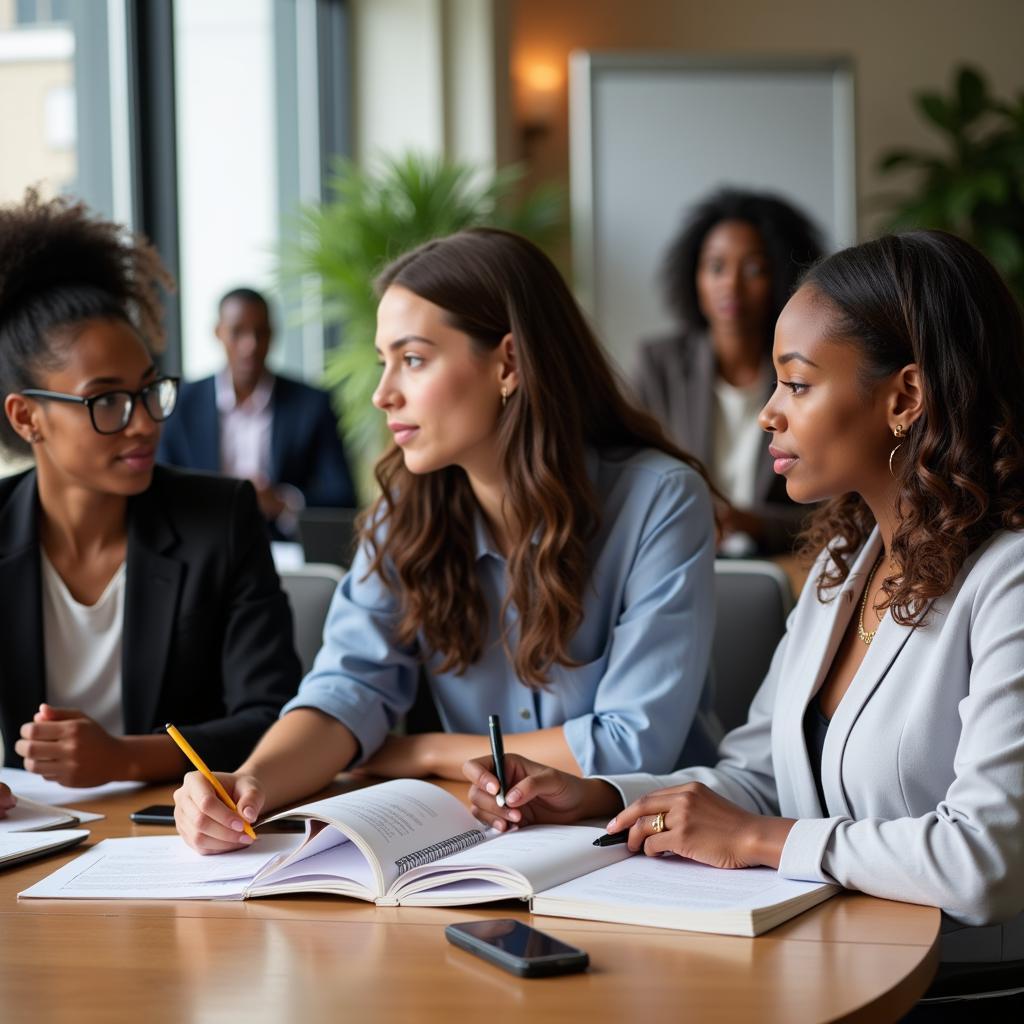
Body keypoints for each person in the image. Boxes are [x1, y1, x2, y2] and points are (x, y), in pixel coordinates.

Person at [467, 230, 1024, 1007]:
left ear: (904, 398)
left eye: (796, 385)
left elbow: (988, 861)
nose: (767, 414)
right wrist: (599, 795)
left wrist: (761, 841)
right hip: (824, 960)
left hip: (949, 985)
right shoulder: (846, 566)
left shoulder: (1009, 581)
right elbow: (755, 777)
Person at [174, 227, 720, 853]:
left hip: (661, 851)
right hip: (500, 848)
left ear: (508, 363)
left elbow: (630, 743)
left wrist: (426, 749)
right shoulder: (406, 513)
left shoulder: (660, 499)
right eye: (385, 361)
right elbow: (347, 691)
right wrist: (248, 782)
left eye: (412, 359)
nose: (383, 393)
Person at [0, 190, 302, 788]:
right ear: (26, 418)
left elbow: (275, 717)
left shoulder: (219, 518)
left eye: (148, 390)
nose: (143, 422)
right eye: (106, 399)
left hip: (176, 834)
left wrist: (126, 757)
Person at [634, 188, 823, 555]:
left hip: (782, 565)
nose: (731, 285)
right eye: (716, 267)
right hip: (678, 555)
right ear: (695, 277)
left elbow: (835, 507)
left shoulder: (807, 371)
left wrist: (754, 522)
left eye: (754, 269)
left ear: (783, 276)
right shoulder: (658, 366)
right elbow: (630, 482)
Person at [157, 287, 356, 537]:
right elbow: (160, 490)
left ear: (273, 335)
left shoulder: (311, 404)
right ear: (218, 333)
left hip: (283, 549)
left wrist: (283, 502)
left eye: (260, 332)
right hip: (199, 543)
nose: (250, 345)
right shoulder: (182, 403)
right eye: (237, 332)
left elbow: (343, 496)